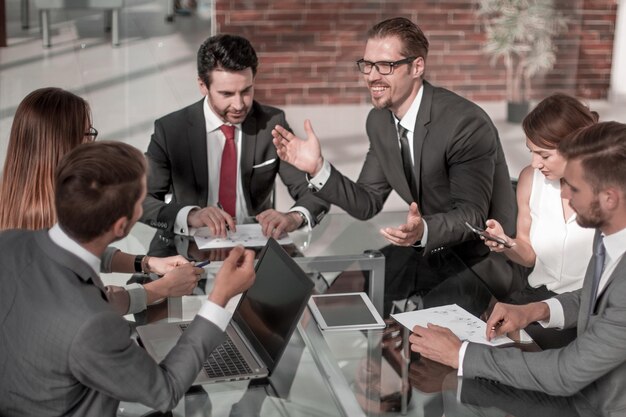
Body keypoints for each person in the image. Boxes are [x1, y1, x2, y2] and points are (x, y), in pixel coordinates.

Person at [272, 17, 516, 315]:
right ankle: (372, 356)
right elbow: (367, 202)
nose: (372, 76)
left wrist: (422, 230)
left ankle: (401, 348)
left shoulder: (464, 123)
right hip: (427, 246)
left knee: (424, 338)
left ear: (417, 67)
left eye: (385, 66)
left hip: (479, 257)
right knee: (342, 291)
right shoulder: (380, 121)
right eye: (367, 65)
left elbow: (472, 215)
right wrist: (319, 169)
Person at [0, 141, 256, 416]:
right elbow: (165, 391)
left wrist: (145, 262)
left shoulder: (9, 243)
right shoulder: (94, 324)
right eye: (140, 201)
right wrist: (219, 298)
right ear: (122, 225)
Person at [409, 121, 626, 415]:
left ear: (609, 199)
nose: (564, 196)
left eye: (574, 188)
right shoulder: (611, 236)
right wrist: (535, 310)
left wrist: (460, 353)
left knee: (461, 383)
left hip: (598, 406)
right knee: (461, 390)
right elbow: (594, 298)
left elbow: (565, 374)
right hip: (584, 390)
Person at [0, 87, 197, 315]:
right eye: (88, 135)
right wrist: (163, 288)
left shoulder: (16, 201)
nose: (93, 145)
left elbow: (83, 251)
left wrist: (148, 262)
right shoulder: (54, 217)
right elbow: (90, 307)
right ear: (64, 144)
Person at [140, 33, 329, 249]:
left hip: (254, 248)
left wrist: (294, 217)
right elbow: (140, 200)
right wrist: (190, 215)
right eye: (227, 94)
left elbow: (315, 191)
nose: (239, 105)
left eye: (246, 91)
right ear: (203, 86)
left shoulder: (272, 124)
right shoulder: (171, 130)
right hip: (184, 249)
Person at [483, 93, 598, 348]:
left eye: (544, 155)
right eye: (531, 152)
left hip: (585, 306)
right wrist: (506, 243)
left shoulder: (607, 190)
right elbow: (529, 255)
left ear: (576, 147)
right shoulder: (529, 180)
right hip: (535, 296)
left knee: (511, 350)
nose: (535, 164)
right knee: (484, 333)